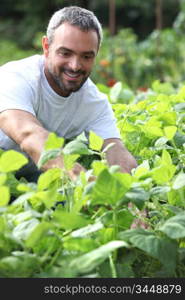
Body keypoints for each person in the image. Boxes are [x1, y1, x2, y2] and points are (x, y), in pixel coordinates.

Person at [0, 6, 137, 183]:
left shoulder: (93, 102)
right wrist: (82, 180)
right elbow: (29, 134)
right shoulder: (16, 77)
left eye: (86, 57)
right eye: (66, 53)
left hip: (29, 170)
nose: (75, 66)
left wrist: (130, 191)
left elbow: (117, 152)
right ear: (46, 47)